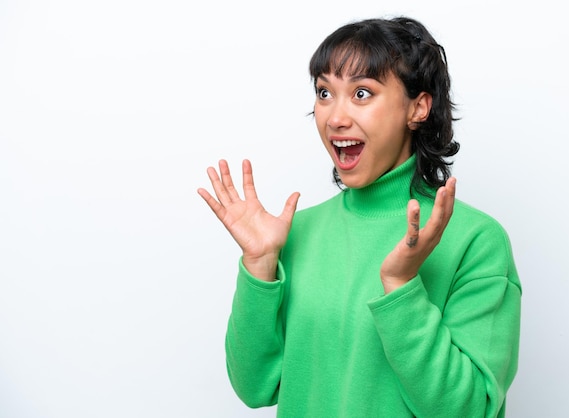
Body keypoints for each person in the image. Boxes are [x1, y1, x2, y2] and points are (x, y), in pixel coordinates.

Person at [198, 16, 521, 418]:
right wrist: (260, 266)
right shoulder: (296, 233)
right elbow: (255, 386)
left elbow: (468, 410)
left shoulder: (476, 240)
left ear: (418, 107)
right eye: (324, 93)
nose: (335, 117)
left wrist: (401, 287)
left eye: (362, 93)